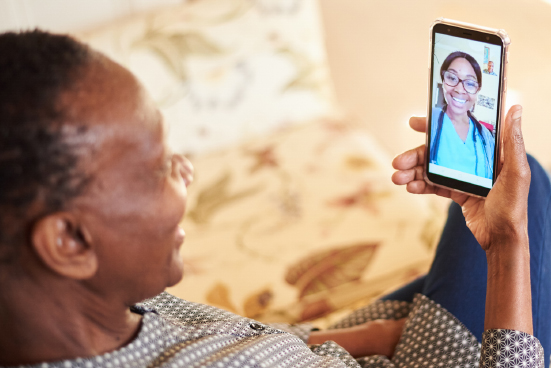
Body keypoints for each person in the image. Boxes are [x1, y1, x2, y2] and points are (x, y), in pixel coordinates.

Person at [0, 30, 549, 368]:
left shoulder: (110, 307)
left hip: (358, 345)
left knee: (515, 182)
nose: (186, 171)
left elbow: (253, 341)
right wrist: (507, 244)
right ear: (68, 240)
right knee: (528, 200)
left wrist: (373, 336)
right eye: (154, 170)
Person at [431, 51, 495, 179]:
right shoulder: (432, 121)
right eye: (452, 78)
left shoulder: (486, 137)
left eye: (470, 83)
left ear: (478, 90)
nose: (459, 89)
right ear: (443, 80)